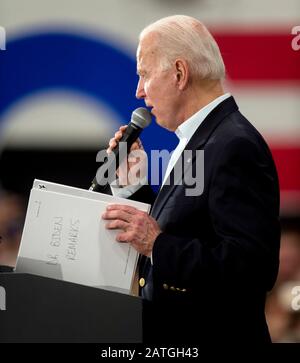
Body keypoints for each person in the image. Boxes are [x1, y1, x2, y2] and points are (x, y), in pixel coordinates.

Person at [101, 15, 280, 343]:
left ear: (179, 74)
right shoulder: (204, 137)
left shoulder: (234, 144)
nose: (138, 91)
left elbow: (252, 269)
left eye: (144, 74)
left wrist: (157, 245)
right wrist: (133, 185)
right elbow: (185, 228)